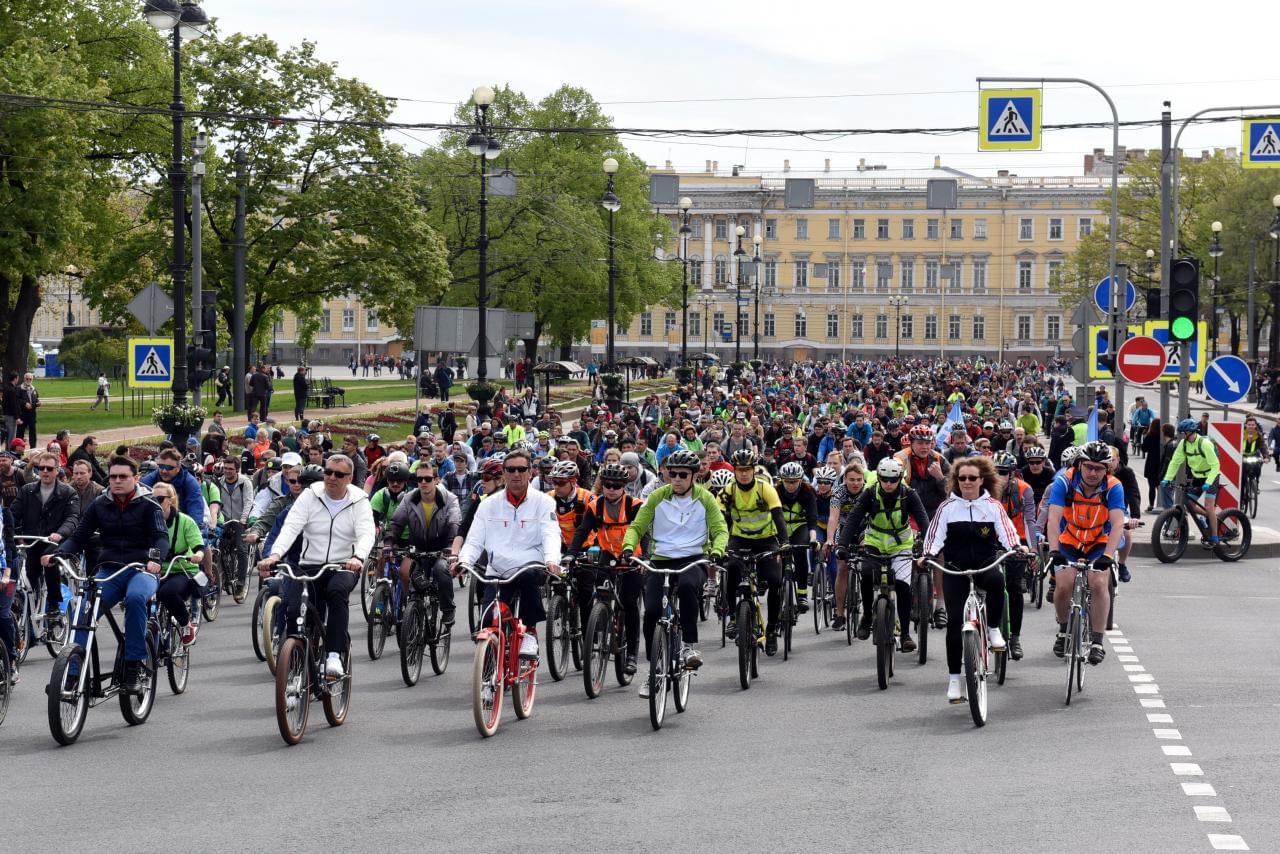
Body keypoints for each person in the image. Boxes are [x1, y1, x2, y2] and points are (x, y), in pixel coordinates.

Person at [48, 456, 168, 693]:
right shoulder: (100, 504)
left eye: (123, 476)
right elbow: (80, 536)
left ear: (135, 478)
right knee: (83, 609)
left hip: (141, 570)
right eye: (112, 476)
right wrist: (58, 553)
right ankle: (73, 674)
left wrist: (155, 560)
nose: (117, 481)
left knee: (135, 599)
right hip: (109, 571)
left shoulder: (149, 504)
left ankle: (134, 666)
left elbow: (161, 537)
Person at [258, 453, 375, 679]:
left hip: (343, 565)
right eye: (328, 472)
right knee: (295, 610)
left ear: (349, 478)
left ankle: (333, 655)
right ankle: (295, 664)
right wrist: (274, 555)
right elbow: (291, 527)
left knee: (336, 592)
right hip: (309, 563)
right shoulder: (310, 495)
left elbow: (366, 532)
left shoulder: (359, 500)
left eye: (339, 474)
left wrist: (358, 557)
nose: (332, 478)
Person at [622, 450, 727, 698]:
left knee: (690, 587)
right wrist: (628, 547)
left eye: (682, 475)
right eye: (672, 474)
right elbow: (637, 526)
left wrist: (718, 550)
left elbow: (720, 529)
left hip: (694, 558)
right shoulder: (658, 497)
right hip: (661, 559)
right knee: (652, 612)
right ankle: (653, 671)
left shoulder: (706, 499)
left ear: (693, 476)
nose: (676, 479)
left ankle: (689, 646)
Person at [920, 456, 1021, 704]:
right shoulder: (947, 508)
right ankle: (955, 680)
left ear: (981, 480)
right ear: (956, 480)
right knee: (954, 624)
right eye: (962, 478)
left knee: (997, 582)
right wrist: (927, 555)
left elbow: (1008, 533)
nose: (966, 482)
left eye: (972, 478)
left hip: (985, 564)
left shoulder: (992, 506)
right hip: (955, 569)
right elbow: (934, 537)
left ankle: (994, 629)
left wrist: (1017, 547)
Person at [456, 448, 562, 660]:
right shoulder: (488, 505)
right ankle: (488, 676)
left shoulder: (544, 502)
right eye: (510, 470)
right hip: (497, 570)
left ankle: (530, 632)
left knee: (528, 576)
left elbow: (551, 533)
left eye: (521, 469)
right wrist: (464, 561)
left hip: (530, 565)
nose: (516, 474)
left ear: (530, 472)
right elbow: (475, 539)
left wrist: (552, 560)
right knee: (487, 622)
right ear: (503, 473)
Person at [1045, 441, 1125, 666]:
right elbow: (1053, 519)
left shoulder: (1113, 486)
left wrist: (1108, 557)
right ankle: (1063, 630)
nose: (1092, 473)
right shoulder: (1064, 481)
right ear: (1079, 465)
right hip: (1069, 539)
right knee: (1063, 585)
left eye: (1099, 468)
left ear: (1107, 470)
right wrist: (1053, 550)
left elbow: (1118, 524)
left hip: (1098, 541)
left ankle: (1098, 641)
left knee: (1099, 583)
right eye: (1088, 466)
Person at [567, 461, 645, 675]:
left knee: (629, 603)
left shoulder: (635, 505)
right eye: (607, 485)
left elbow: (645, 534)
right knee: (599, 595)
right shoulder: (596, 506)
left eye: (616, 485)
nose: (610, 489)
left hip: (633, 558)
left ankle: (631, 655)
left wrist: (644, 559)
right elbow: (582, 532)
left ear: (624, 486)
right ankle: (598, 632)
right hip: (608, 555)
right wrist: (571, 554)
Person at [719, 448, 789, 656]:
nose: (744, 473)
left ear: (753, 469)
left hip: (766, 539)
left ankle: (772, 629)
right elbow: (719, 520)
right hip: (739, 539)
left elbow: (778, 516)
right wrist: (718, 545)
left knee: (775, 581)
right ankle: (733, 617)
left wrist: (784, 542)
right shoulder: (728, 491)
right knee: (731, 569)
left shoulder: (765, 488)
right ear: (735, 470)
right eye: (740, 469)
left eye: (747, 469)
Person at [385, 460, 460, 626]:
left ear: (436, 479)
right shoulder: (408, 499)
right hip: (418, 548)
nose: (423, 483)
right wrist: (389, 544)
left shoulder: (450, 499)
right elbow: (396, 524)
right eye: (419, 480)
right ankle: (411, 611)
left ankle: (448, 609)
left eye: (428, 479)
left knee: (441, 570)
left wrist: (449, 547)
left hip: (442, 548)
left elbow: (454, 524)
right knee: (407, 573)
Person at [11, 450, 80, 629]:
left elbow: (72, 518)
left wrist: (60, 533)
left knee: (49, 561)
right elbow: (13, 514)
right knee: (27, 574)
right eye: (41, 468)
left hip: (55, 541)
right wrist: (7, 530)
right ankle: (24, 608)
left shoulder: (68, 492)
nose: (45, 472)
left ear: (57, 470)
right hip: (31, 540)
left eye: (49, 468)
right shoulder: (27, 490)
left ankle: (54, 606)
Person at [151, 482, 205, 646]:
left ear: (171, 501)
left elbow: (199, 546)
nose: (155, 502)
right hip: (156, 570)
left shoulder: (185, 522)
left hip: (181, 569)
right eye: (152, 499)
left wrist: (198, 555)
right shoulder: (148, 521)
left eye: (159, 499)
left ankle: (186, 624)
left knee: (166, 593)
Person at [993, 451, 1034, 660]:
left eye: (1002, 472)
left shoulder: (1024, 490)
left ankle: (1015, 638)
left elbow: (1029, 521)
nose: (998, 476)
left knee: (1015, 587)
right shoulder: (983, 489)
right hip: (990, 541)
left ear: (1011, 473)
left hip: (1017, 543)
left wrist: (1032, 549)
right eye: (995, 472)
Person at [1161, 418, 1221, 548]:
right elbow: (1175, 462)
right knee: (1190, 505)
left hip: (1212, 476)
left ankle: (1215, 536)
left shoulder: (1204, 443)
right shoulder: (1183, 444)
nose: (1182, 435)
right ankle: (1210, 517)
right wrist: (1167, 478)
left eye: (1184, 432)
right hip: (1197, 477)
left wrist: (1209, 482)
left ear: (1190, 431)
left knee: (1209, 506)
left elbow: (1215, 465)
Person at [775, 461, 817, 614]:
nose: (791, 485)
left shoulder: (808, 491)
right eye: (787, 481)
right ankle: (778, 591)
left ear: (800, 480)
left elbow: (812, 518)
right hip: (781, 528)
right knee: (778, 556)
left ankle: (802, 594)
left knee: (800, 552)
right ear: (782, 480)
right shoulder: (776, 491)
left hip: (800, 526)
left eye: (794, 482)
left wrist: (813, 539)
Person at [19, 372, 39, 446]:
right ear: (24, 379)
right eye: (27, 379)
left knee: (33, 431)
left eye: (30, 379)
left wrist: (38, 403)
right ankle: (18, 449)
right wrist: (25, 404)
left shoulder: (34, 389)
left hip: (32, 414)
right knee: (20, 432)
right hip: (22, 414)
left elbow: (36, 399)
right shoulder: (20, 388)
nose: (28, 380)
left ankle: (33, 448)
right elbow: (17, 400)